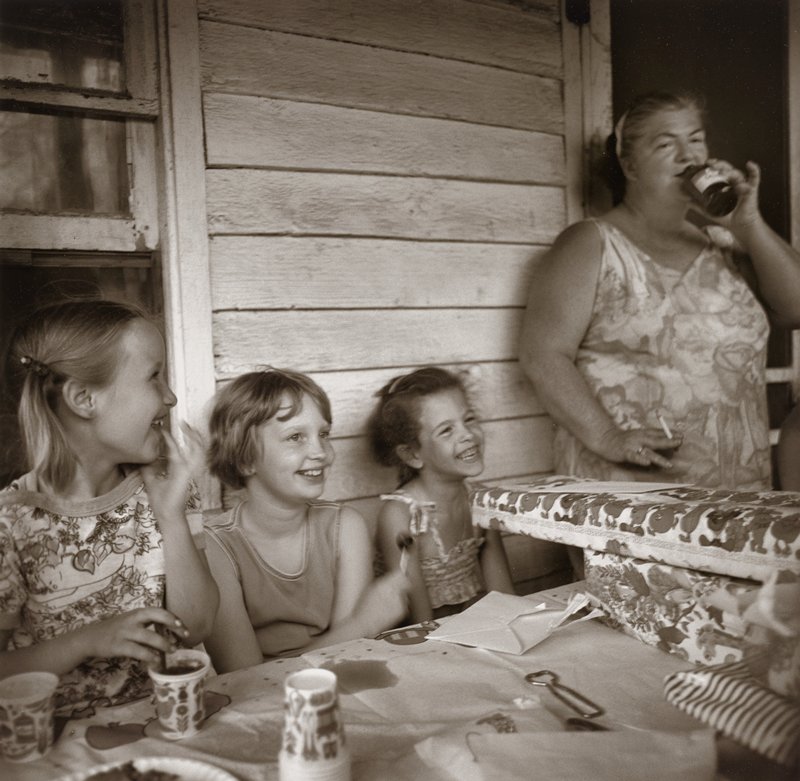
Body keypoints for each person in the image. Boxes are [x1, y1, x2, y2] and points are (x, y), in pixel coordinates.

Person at [520, 90, 800, 492]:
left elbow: (796, 309)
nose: (689, 156)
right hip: (633, 501)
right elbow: (542, 355)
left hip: (736, 496)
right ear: (629, 165)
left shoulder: (724, 244)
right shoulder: (591, 243)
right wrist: (607, 437)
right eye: (666, 144)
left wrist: (749, 224)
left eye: (697, 139)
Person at [0, 299, 218, 718]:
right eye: (154, 376)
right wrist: (86, 640)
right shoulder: (13, 522)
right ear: (84, 399)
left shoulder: (166, 487)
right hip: (64, 745)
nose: (170, 397)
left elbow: (197, 627)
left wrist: (171, 516)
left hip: (170, 720)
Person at [203, 368, 409, 673]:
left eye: (323, 434)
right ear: (245, 459)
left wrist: (358, 628)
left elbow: (345, 655)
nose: (320, 452)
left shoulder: (345, 527)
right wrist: (366, 622)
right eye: (295, 437)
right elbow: (245, 677)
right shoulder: (215, 547)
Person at [368, 366, 515, 622]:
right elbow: (420, 621)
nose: (467, 435)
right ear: (412, 455)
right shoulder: (401, 515)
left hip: (468, 631)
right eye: (446, 430)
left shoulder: (481, 501)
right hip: (417, 644)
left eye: (468, 419)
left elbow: (504, 596)